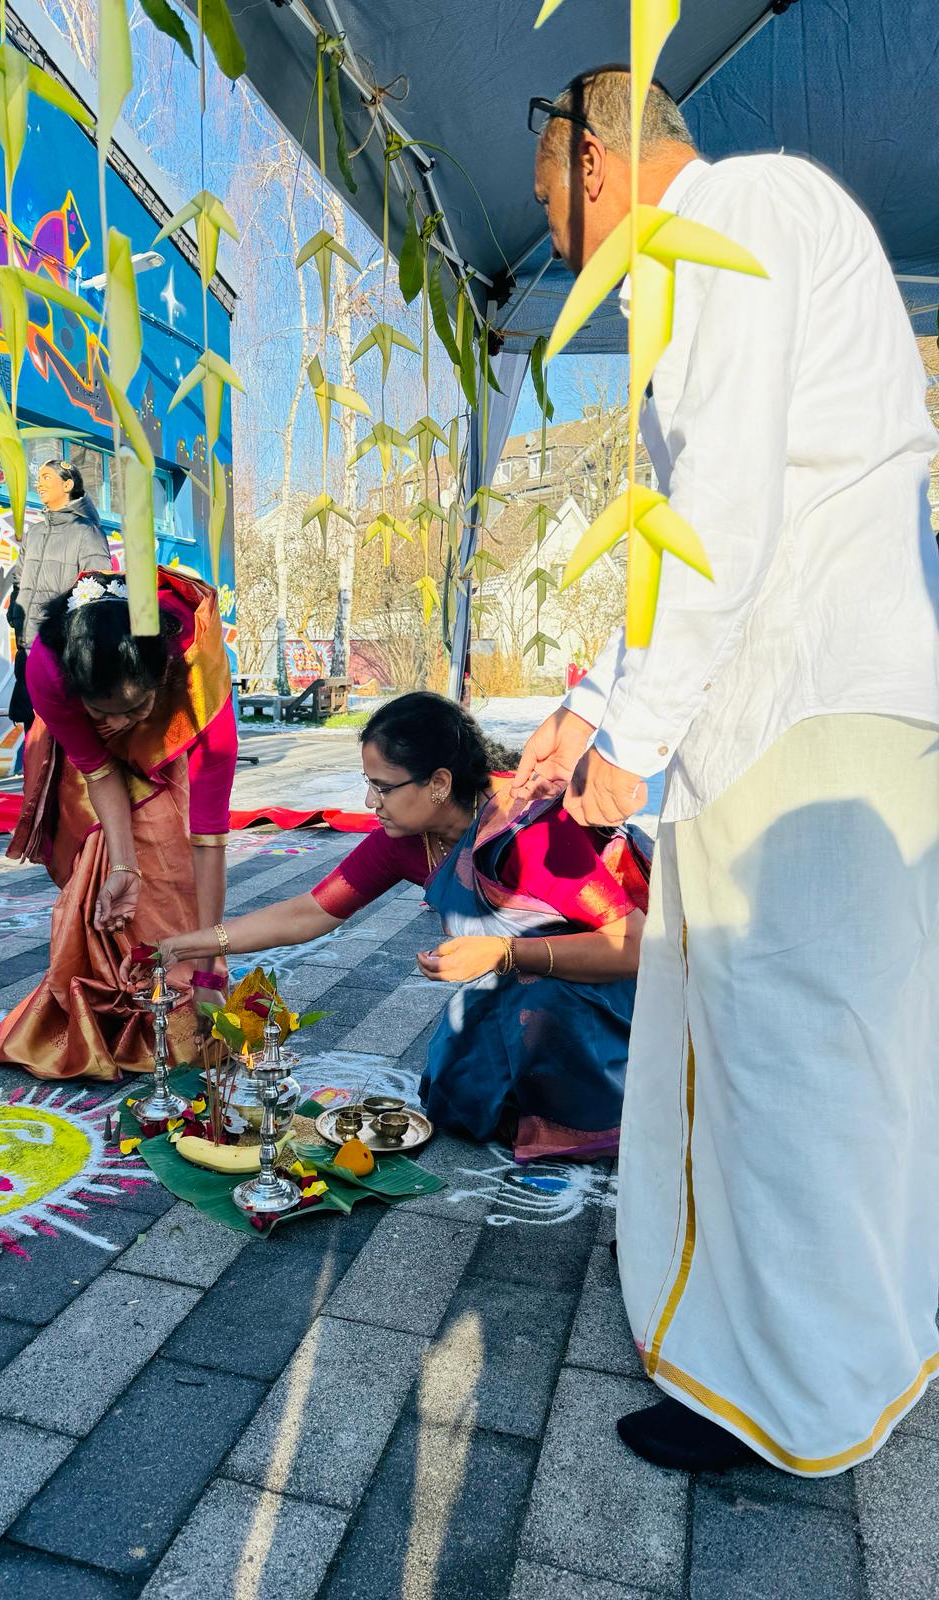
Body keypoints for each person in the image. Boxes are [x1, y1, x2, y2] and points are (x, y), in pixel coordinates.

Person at [520, 70, 939, 1475]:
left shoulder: (730, 219)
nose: (567, 257)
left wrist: (629, 746)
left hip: (799, 710)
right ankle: (840, 1343)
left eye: (556, 220)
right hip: (826, 703)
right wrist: (589, 706)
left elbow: (721, 515)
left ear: (593, 163)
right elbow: (684, 539)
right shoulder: (761, 228)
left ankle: (788, 1402)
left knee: (791, 1058)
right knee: (834, 1049)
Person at [143, 693, 649, 1160]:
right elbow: (312, 911)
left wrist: (504, 953)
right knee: (454, 1090)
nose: (370, 803)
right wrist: (188, 945)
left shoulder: (528, 831)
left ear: (439, 783)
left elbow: (634, 948)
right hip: (519, 982)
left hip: (599, 988)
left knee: (534, 1008)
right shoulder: (409, 835)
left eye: (382, 787)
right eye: (369, 785)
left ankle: (597, 1106)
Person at [0, 566, 237, 1080]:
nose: (119, 724)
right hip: (88, 764)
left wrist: (212, 959)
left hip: (171, 735)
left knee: (169, 844)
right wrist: (124, 868)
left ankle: (181, 996)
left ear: (163, 676)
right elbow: (97, 769)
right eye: (104, 711)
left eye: (134, 708)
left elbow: (208, 836)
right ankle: (114, 1007)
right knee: (118, 855)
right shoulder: (49, 668)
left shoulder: (198, 671)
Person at [7, 459, 111, 730]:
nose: (39, 483)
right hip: (28, 649)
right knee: (33, 737)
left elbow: (99, 590)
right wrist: (15, 611)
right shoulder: (35, 533)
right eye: (38, 477)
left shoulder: (87, 532)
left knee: (66, 739)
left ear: (68, 485)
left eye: (46, 477)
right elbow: (18, 579)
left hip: (63, 654)